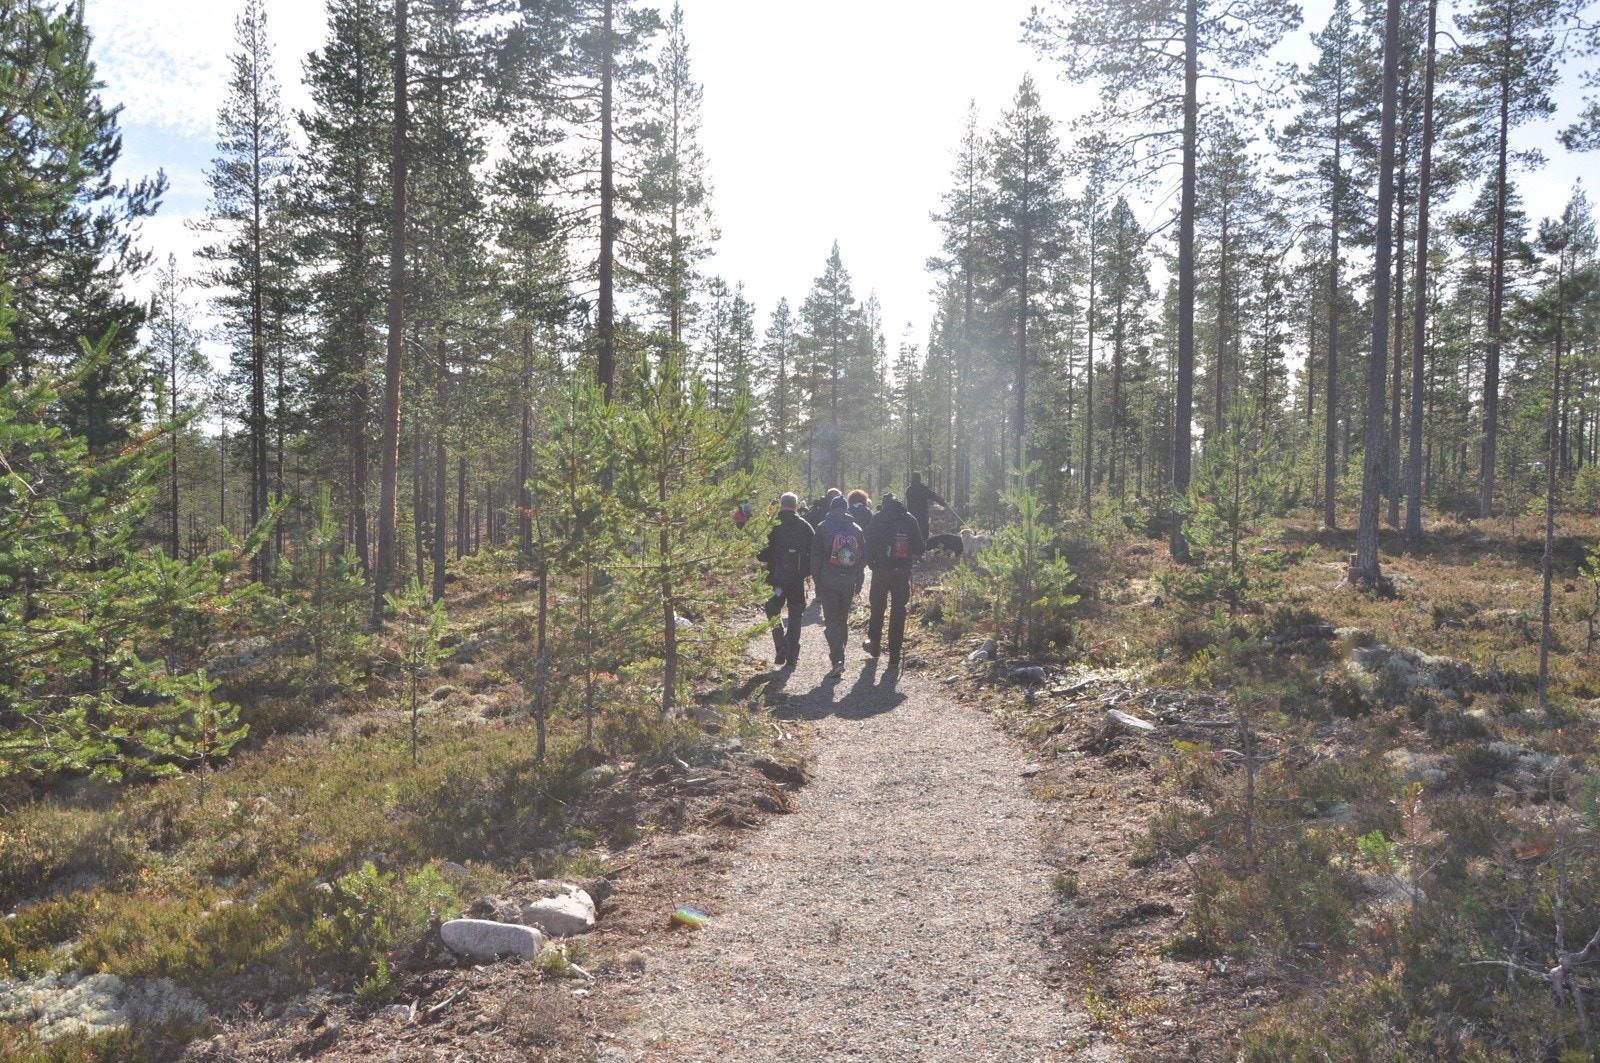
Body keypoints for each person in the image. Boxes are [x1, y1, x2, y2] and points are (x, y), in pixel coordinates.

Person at [862, 492, 923, 666]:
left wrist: (872, 564)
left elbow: (869, 542)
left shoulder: (878, 518)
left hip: (882, 570)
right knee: (898, 610)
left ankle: (874, 645)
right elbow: (919, 547)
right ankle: (894, 654)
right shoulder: (910, 519)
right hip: (902, 571)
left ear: (884, 503)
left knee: (877, 607)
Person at [810, 494, 865, 678]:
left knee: (831, 619)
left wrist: (817, 580)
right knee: (842, 619)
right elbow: (861, 558)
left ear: (831, 508)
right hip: (848, 581)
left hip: (828, 581)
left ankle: (837, 659)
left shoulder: (823, 527)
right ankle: (840, 654)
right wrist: (859, 581)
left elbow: (816, 556)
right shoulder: (856, 529)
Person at [756, 493, 813, 668]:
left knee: (772, 609)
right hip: (796, 581)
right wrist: (806, 572)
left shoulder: (772, 525)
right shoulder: (804, 526)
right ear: (796, 506)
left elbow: (761, 555)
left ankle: (781, 644)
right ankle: (792, 655)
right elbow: (815, 552)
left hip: (777, 581)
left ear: (781, 505)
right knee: (796, 615)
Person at [905, 472, 954, 541]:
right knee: (923, 532)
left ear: (912, 479)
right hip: (922, 514)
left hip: (911, 514)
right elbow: (932, 495)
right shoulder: (923, 488)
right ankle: (924, 545)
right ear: (919, 478)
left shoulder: (909, 490)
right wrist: (942, 502)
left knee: (912, 531)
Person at [846, 489, 874, 593]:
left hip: (848, 541)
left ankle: (850, 587)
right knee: (860, 566)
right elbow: (871, 528)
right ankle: (857, 589)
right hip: (863, 542)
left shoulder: (848, 510)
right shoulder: (867, 511)